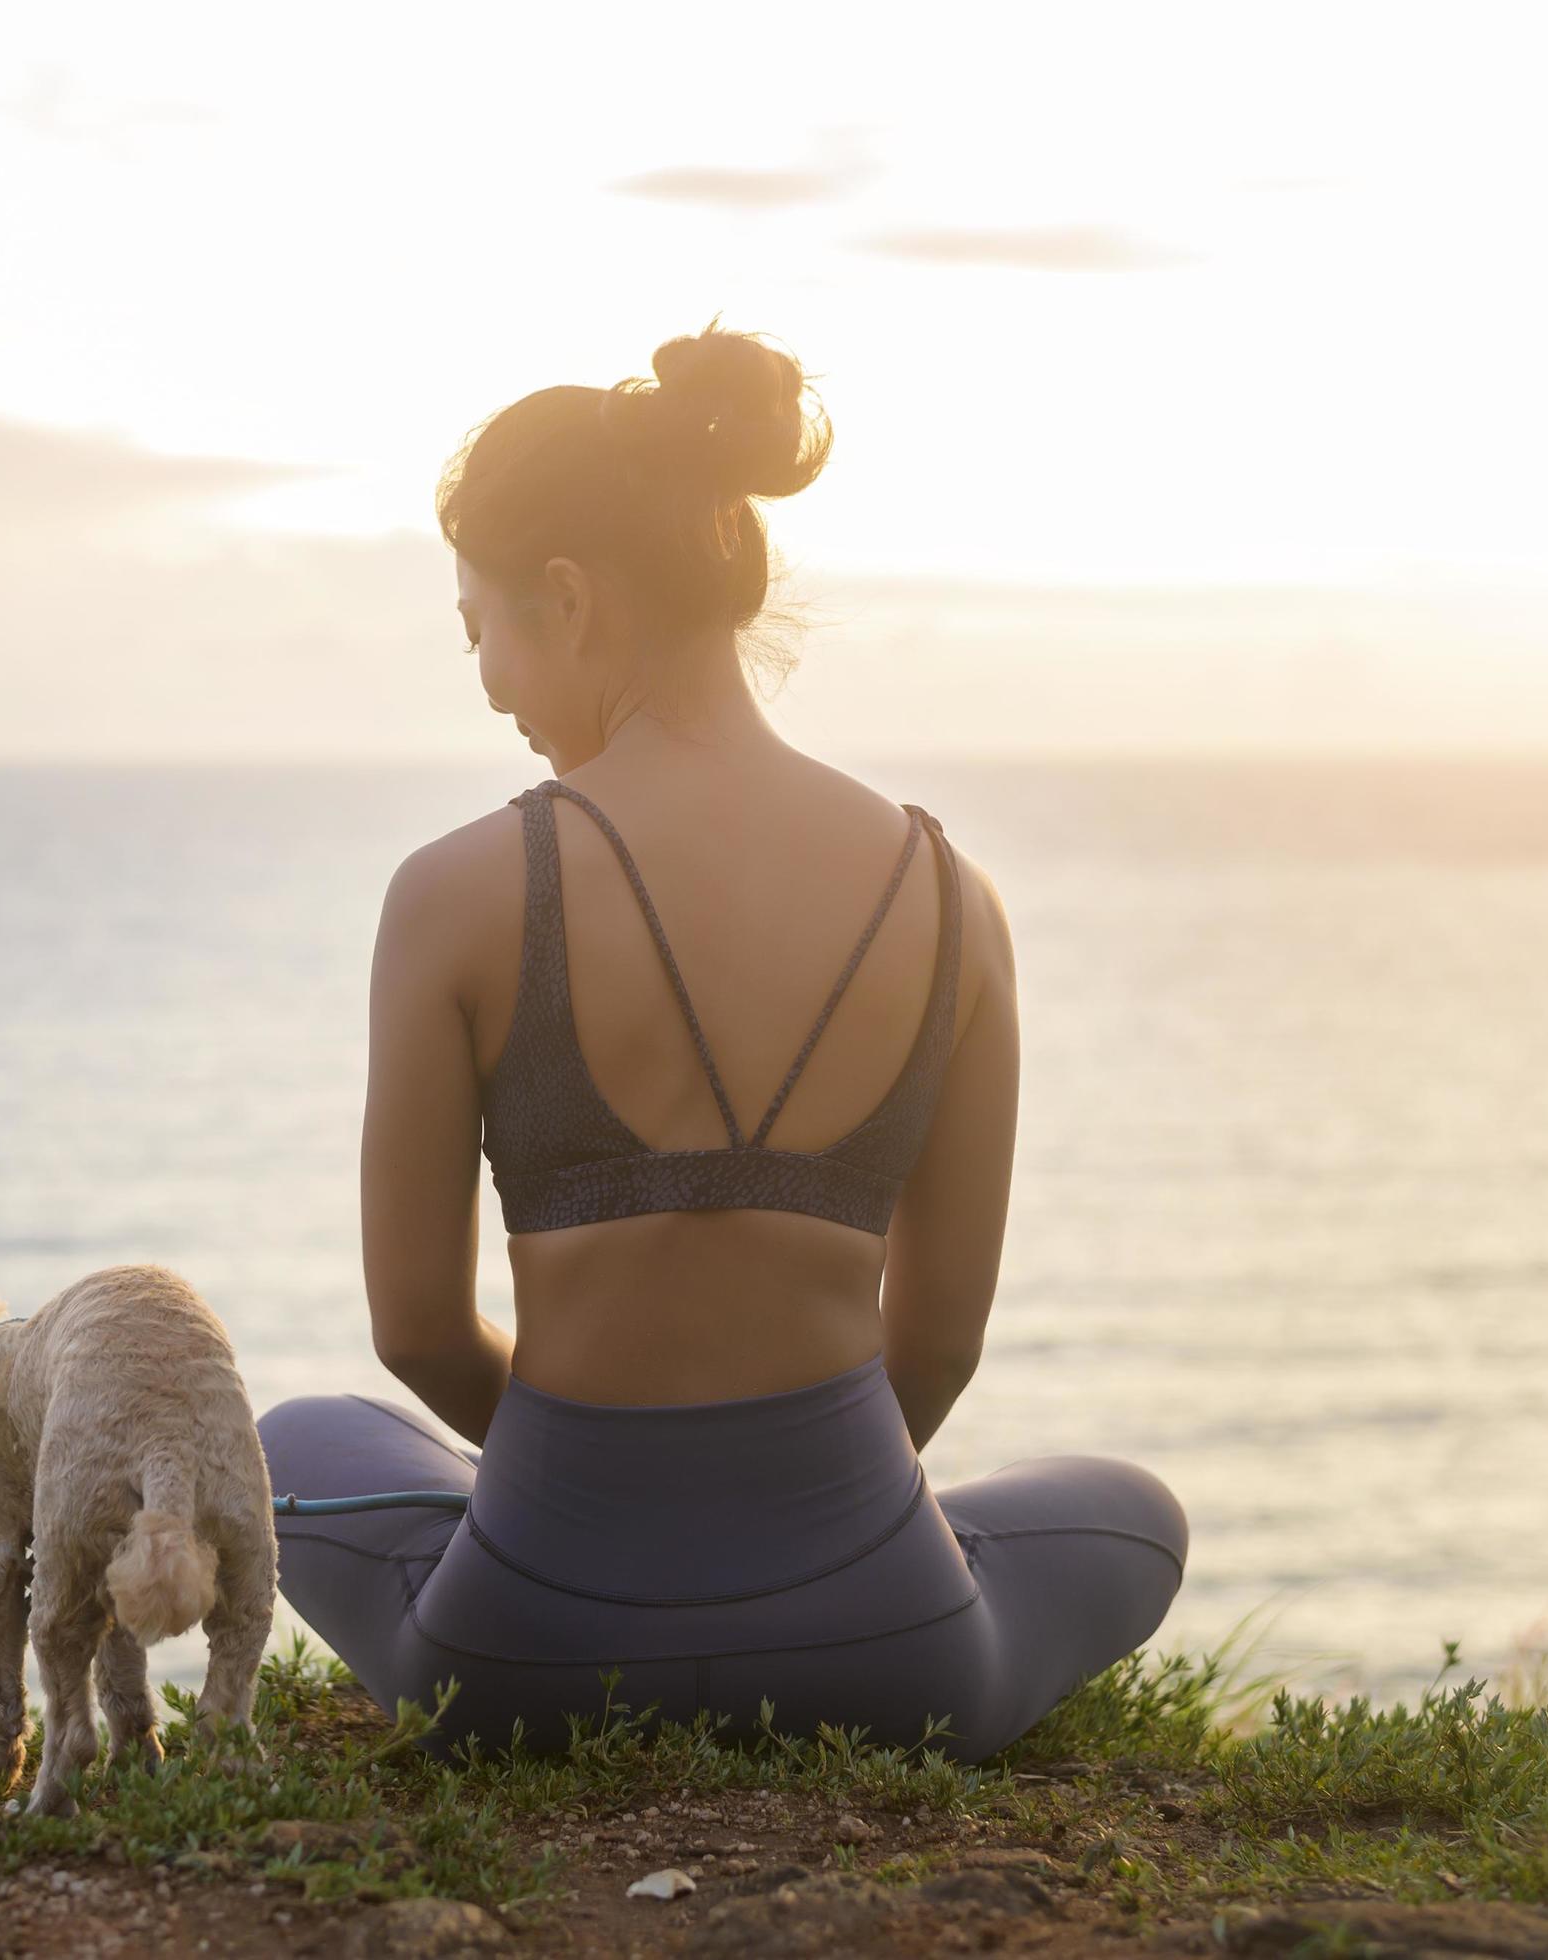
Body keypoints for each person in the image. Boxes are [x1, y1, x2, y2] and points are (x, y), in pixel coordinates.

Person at [254, 320, 1185, 1760]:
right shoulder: (953, 900)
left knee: (301, 1451)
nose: (490, 683)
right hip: (895, 1662)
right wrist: (788, 1532)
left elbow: (417, 1332)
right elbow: (934, 1344)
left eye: (478, 631)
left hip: (516, 1663)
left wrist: (614, 1505)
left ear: (562, 598)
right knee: (1128, 1513)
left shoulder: (452, 896)